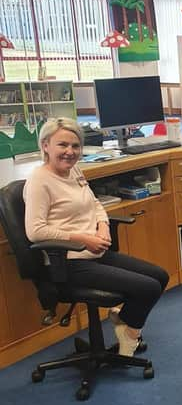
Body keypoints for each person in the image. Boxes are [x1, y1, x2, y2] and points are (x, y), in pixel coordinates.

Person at [23, 117, 169, 357]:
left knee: (160, 276)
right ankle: (129, 333)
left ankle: (124, 322)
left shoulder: (74, 171)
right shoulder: (39, 180)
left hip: (94, 252)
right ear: (46, 145)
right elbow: (35, 231)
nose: (70, 152)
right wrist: (82, 237)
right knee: (148, 287)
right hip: (68, 261)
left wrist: (102, 225)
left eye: (75, 146)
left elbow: (95, 204)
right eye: (62, 145)